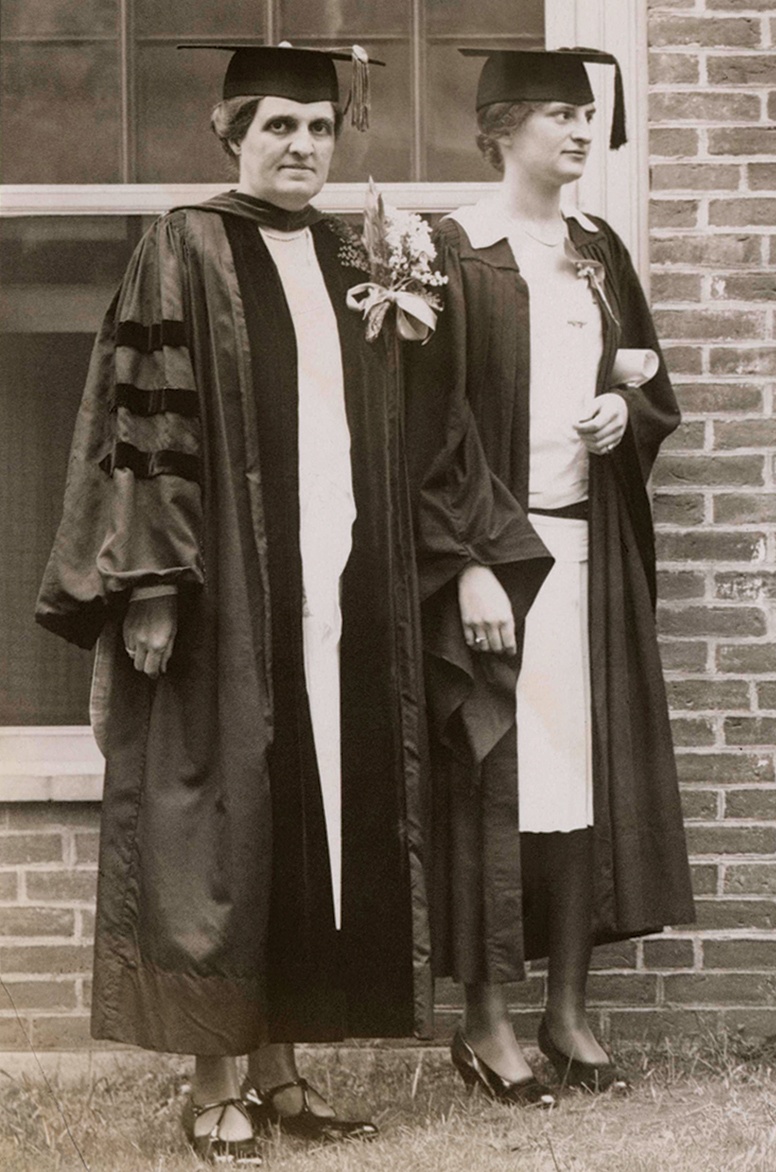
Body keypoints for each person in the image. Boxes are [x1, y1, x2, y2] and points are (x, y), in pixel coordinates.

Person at [36, 42, 416, 1161]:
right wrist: (152, 584)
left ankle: (284, 1073)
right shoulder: (187, 242)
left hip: (331, 584)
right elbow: (138, 417)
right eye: (278, 127)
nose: (303, 146)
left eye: (318, 127)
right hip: (224, 588)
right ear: (230, 134)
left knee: (307, 809)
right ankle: (214, 1083)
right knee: (217, 824)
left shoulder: (351, 250)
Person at [406, 46, 695, 1104]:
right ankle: (484, 1021)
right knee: (492, 782)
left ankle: (566, 1010)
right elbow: (420, 434)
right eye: (557, 115)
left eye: (587, 114)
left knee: (581, 784)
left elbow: (646, 382)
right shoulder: (448, 250)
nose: (579, 132)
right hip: (492, 562)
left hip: (584, 553)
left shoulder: (596, 247)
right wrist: (467, 565)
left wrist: (628, 415)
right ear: (500, 128)